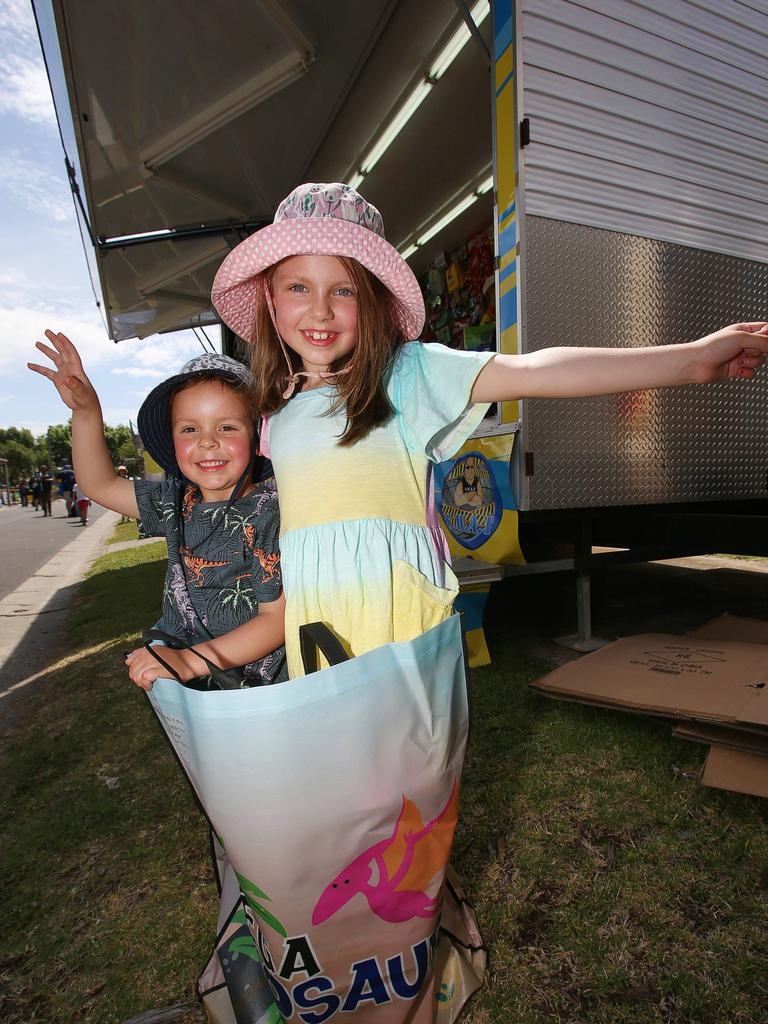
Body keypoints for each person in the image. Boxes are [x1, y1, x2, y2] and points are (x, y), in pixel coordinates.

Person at [211, 181, 768, 681]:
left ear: (375, 300)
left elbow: (538, 370)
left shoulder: (406, 374)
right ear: (269, 297)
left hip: (393, 619)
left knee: (412, 781)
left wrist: (691, 360)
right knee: (337, 779)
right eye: (298, 288)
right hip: (315, 619)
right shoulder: (275, 408)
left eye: (344, 290)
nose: (321, 310)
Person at [28, 341, 287, 690]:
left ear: (256, 435)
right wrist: (86, 411)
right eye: (190, 429)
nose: (207, 442)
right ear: (172, 439)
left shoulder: (268, 514)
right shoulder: (173, 502)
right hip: (192, 689)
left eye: (226, 427)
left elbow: (275, 621)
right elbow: (99, 484)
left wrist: (187, 661)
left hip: (257, 691)